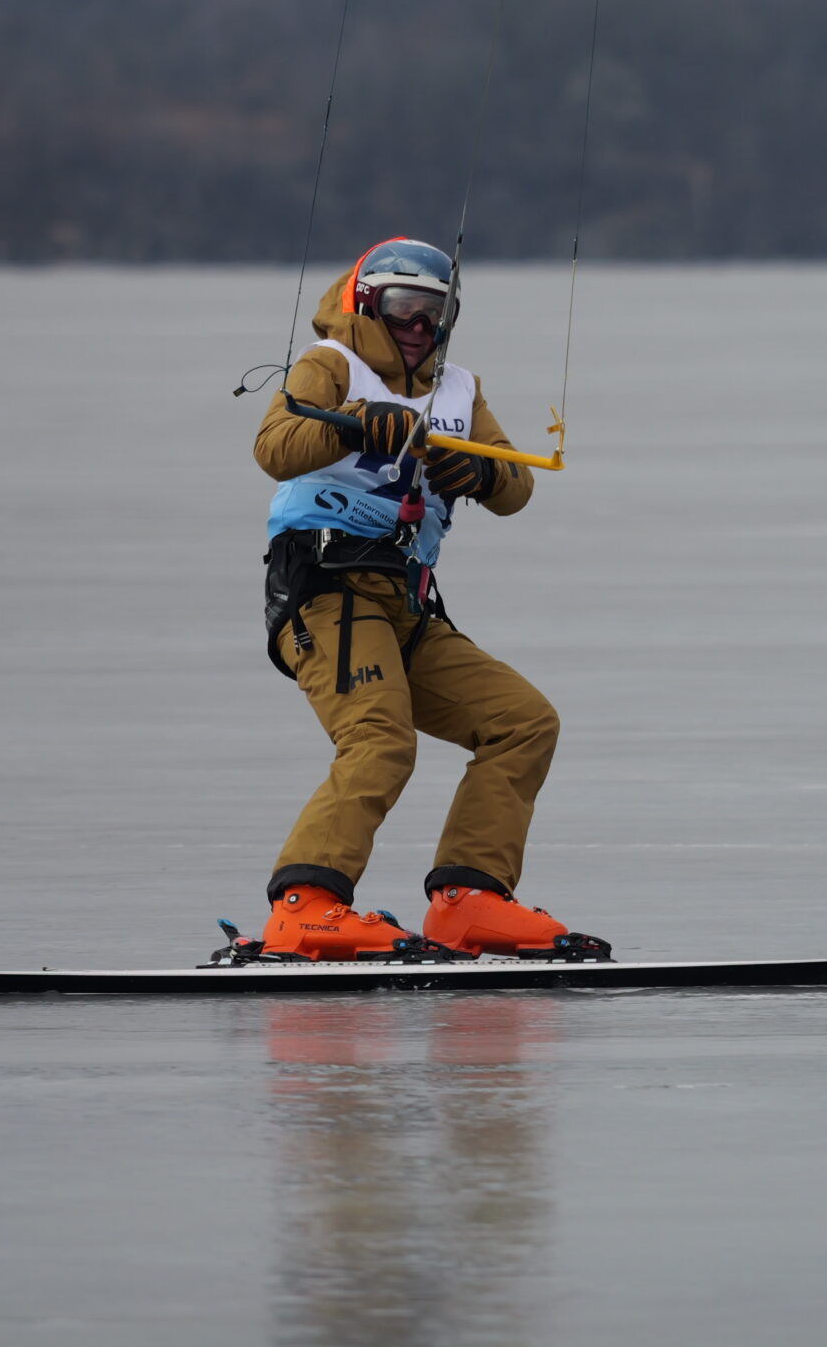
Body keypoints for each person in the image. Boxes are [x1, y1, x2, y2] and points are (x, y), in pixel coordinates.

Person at [251, 238, 601, 960]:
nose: (419, 328)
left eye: (435, 315)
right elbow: (274, 447)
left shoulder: (459, 391)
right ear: (367, 305)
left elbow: (516, 488)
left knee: (522, 722)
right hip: (325, 591)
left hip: (406, 604)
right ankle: (304, 905)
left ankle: (468, 900)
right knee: (380, 739)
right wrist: (349, 422)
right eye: (405, 308)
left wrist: (475, 472)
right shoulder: (332, 364)